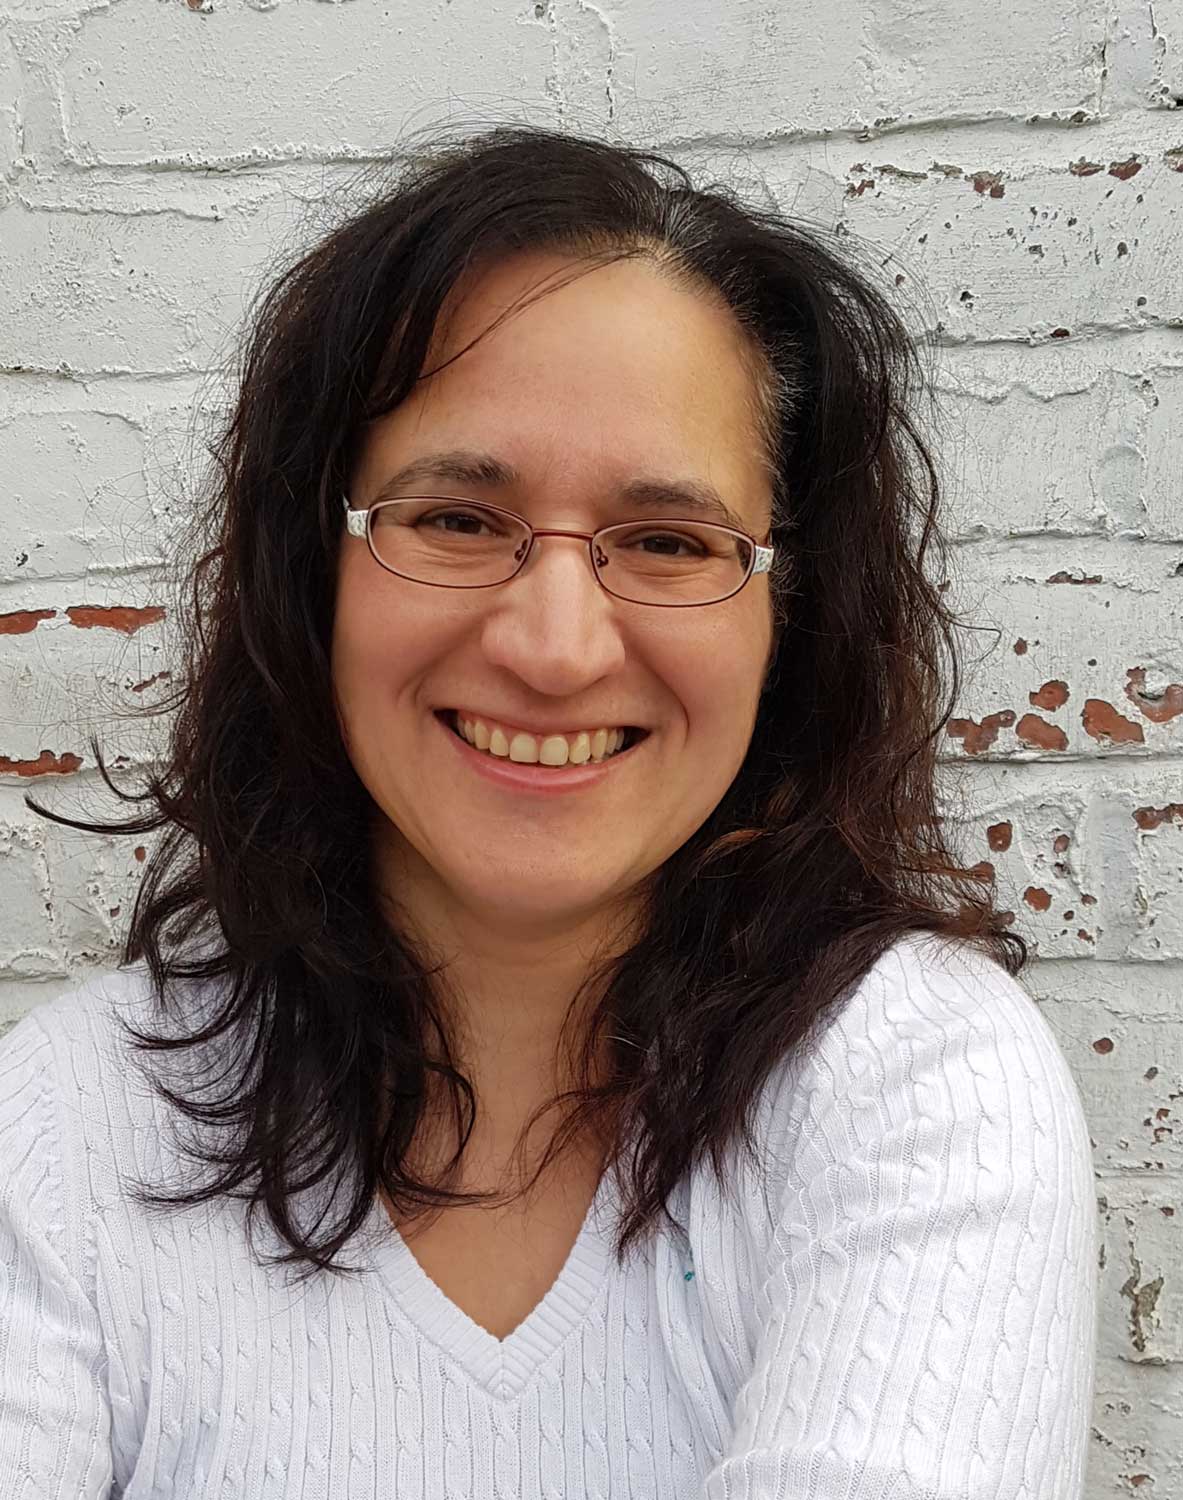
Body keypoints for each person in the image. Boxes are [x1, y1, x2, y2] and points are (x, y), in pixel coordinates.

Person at [0, 124, 1096, 1498]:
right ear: (311, 570)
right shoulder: (64, 1123)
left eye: (670, 543)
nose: (556, 647)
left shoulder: (915, 1084)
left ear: (790, 620)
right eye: (458, 520)